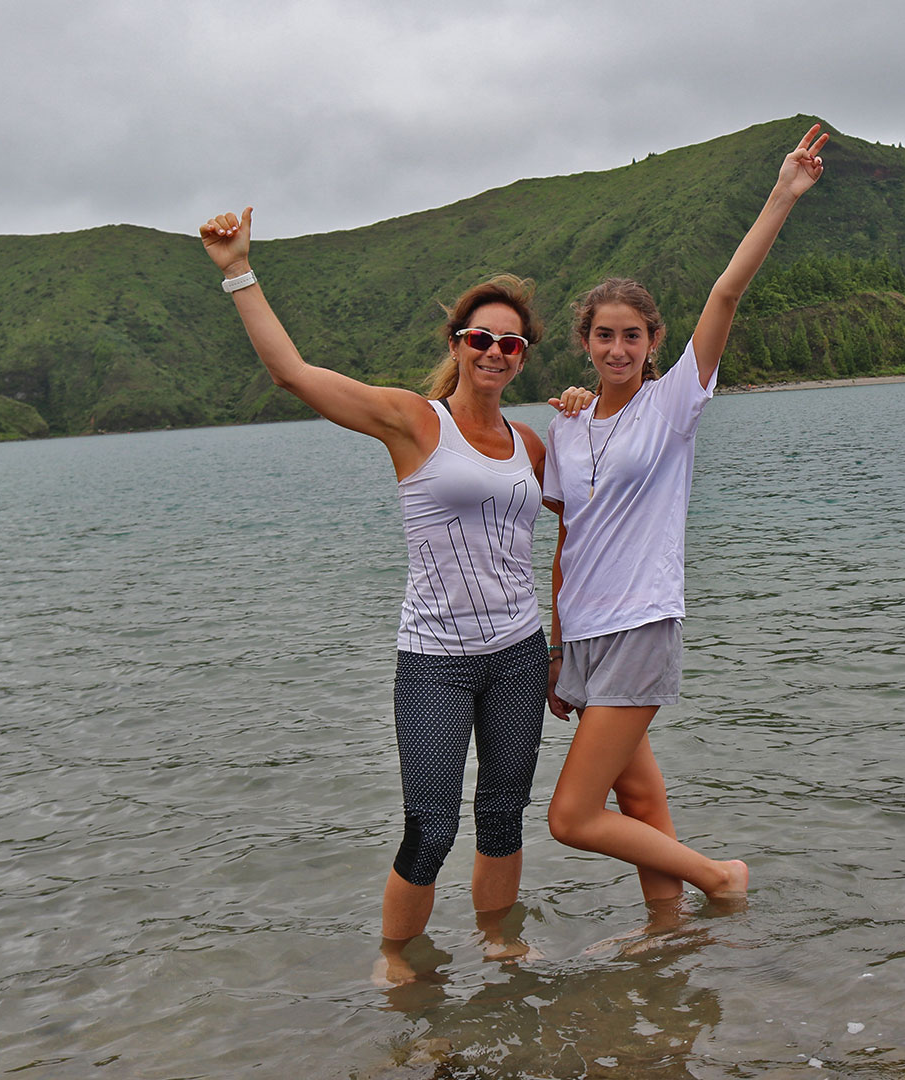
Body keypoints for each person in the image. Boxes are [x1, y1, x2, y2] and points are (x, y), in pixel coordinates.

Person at [196, 208, 592, 983]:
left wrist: (562, 643)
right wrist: (237, 269)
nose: (496, 352)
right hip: (435, 661)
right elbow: (294, 374)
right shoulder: (415, 423)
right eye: (481, 338)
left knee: (502, 816)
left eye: (511, 343)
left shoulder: (533, 445)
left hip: (517, 656)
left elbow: (589, 523)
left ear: (522, 358)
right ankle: (397, 957)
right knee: (432, 825)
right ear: (458, 345)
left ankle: (498, 945)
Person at [542, 123, 830, 904]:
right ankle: (668, 935)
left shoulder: (673, 405)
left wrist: (782, 194)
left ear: (653, 341)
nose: (618, 349)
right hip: (584, 635)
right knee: (637, 802)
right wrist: (558, 646)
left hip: (641, 623)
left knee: (571, 816)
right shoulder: (566, 426)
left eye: (632, 336)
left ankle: (717, 878)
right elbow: (568, 536)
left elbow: (727, 291)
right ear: (585, 342)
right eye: (604, 336)